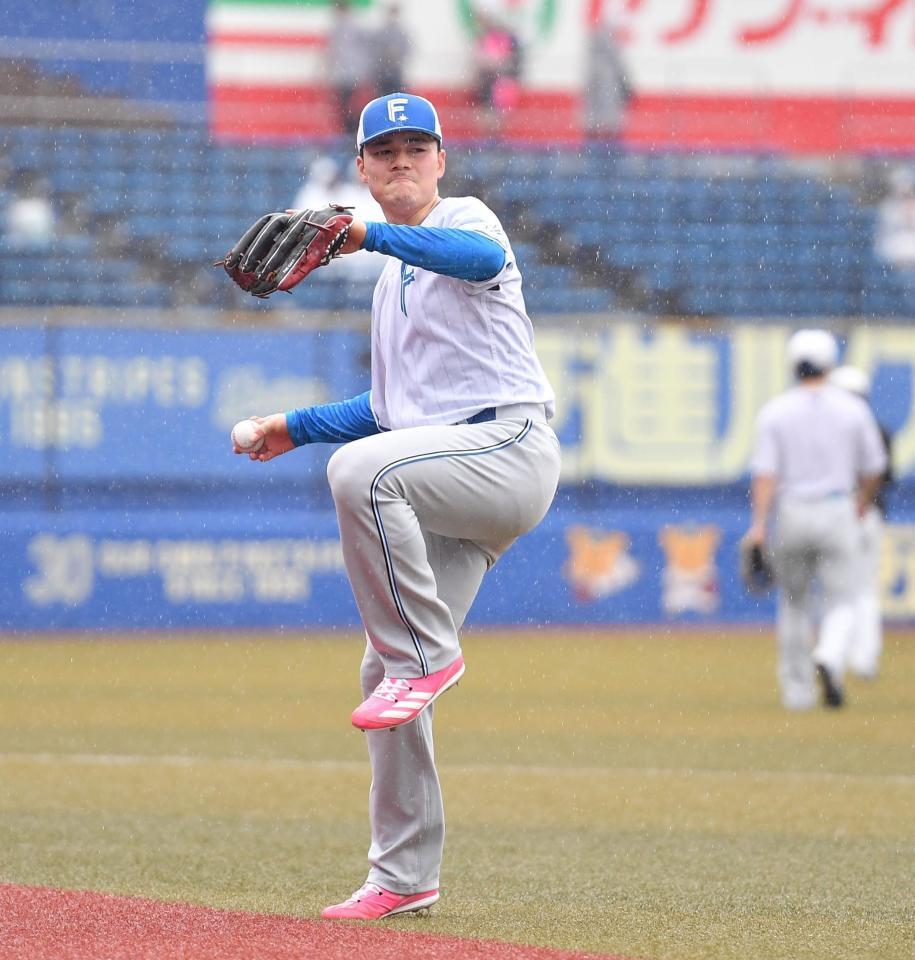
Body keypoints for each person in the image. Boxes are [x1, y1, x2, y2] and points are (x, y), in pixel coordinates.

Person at [235, 92, 560, 918]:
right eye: (385, 152)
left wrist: (364, 233)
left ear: (441, 160)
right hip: (448, 472)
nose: (402, 162)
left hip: (507, 450)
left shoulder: (466, 219)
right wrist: (291, 426)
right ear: (362, 169)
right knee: (380, 676)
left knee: (363, 475)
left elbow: (477, 262)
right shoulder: (392, 287)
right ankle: (404, 876)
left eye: (417, 148)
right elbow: (391, 411)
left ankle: (427, 656)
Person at [745, 330, 887, 711]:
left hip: (792, 510)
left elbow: (765, 475)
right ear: (830, 363)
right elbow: (875, 467)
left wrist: (758, 525)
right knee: (843, 599)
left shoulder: (776, 410)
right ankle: (828, 653)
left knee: (793, 604)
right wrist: (863, 500)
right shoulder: (852, 409)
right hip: (838, 506)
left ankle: (797, 691)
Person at [828, 364, 893, 680]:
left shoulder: (829, 431)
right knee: (864, 588)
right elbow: (884, 476)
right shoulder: (877, 429)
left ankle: (834, 656)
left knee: (836, 590)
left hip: (839, 514)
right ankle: (865, 657)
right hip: (869, 513)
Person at [371, 3, 410, 97]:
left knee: (395, 94)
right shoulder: (382, 31)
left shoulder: (401, 32)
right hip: (383, 71)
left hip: (395, 70)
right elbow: (375, 49)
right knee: (385, 95)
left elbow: (406, 50)